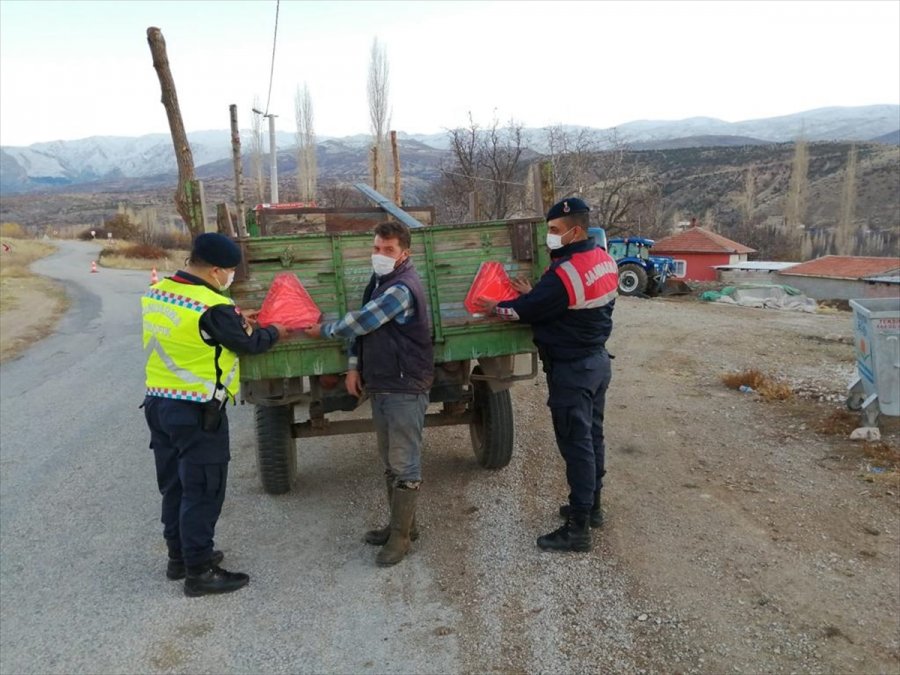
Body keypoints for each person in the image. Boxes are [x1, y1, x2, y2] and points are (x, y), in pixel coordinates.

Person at [142, 232, 287, 596]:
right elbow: (250, 343)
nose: (231, 278)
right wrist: (275, 331)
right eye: (230, 272)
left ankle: (179, 558)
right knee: (204, 489)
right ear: (217, 270)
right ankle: (200, 571)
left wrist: (236, 318)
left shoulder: (159, 292)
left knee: (174, 486)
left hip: (159, 404)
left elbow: (204, 329)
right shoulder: (212, 306)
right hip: (197, 410)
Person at [478, 198, 617, 553]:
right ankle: (593, 507)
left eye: (555, 231)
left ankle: (578, 528)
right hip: (597, 363)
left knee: (576, 445)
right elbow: (562, 301)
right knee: (593, 438)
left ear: (576, 230)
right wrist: (539, 294)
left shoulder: (564, 273)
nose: (549, 237)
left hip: (571, 368)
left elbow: (525, 311)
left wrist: (499, 307)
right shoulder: (604, 260)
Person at [306, 221, 433, 567]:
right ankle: (401, 526)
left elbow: (360, 322)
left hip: (404, 385)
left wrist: (324, 330)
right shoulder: (380, 283)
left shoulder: (401, 289)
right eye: (376, 248)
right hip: (383, 382)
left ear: (404, 253)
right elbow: (363, 335)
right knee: (390, 459)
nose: (379, 255)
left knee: (405, 462)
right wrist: (353, 365)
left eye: (388, 250)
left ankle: (402, 538)